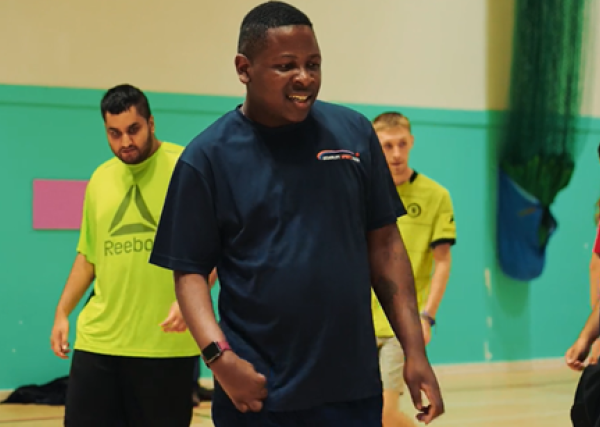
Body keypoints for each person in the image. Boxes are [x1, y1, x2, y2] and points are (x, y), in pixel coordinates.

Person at [148, 2, 444, 426]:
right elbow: (190, 273)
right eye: (285, 66)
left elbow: (385, 247)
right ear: (244, 68)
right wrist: (219, 359)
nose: (304, 78)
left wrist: (415, 352)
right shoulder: (207, 157)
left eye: (313, 64)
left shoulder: (354, 133)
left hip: (351, 390)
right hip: (257, 393)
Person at [49, 84, 202, 427]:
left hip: (164, 344)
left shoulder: (187, 167)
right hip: (99, 340)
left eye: (133, 129)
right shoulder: (100, 178)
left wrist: (192, 299)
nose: (125, 142)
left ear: (151, 123)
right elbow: (88, 256)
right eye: (114, 133)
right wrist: (63, 312)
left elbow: (215, 247)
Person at [369, 112, 456, 426]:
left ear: (412, 143)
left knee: (386, 414)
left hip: (400, 322)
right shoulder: (362, 192)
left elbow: (442, 262)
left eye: (402, 144)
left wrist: (427, 315)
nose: (395, 154)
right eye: (387, 146)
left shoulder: (436, 196)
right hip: (357, 322)